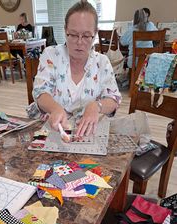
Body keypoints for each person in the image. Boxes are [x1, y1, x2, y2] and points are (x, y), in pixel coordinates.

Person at [27, 1, 121, 137]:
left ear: (95, 33)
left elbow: (113, 100)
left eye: (87, 35)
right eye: (73, 34)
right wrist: (55, 108)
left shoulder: (102, 62)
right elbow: (40, 93)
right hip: (52, 131)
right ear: (65, 30)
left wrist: (96, 106)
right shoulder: (51, 55)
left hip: (88, 133)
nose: (79, 42)